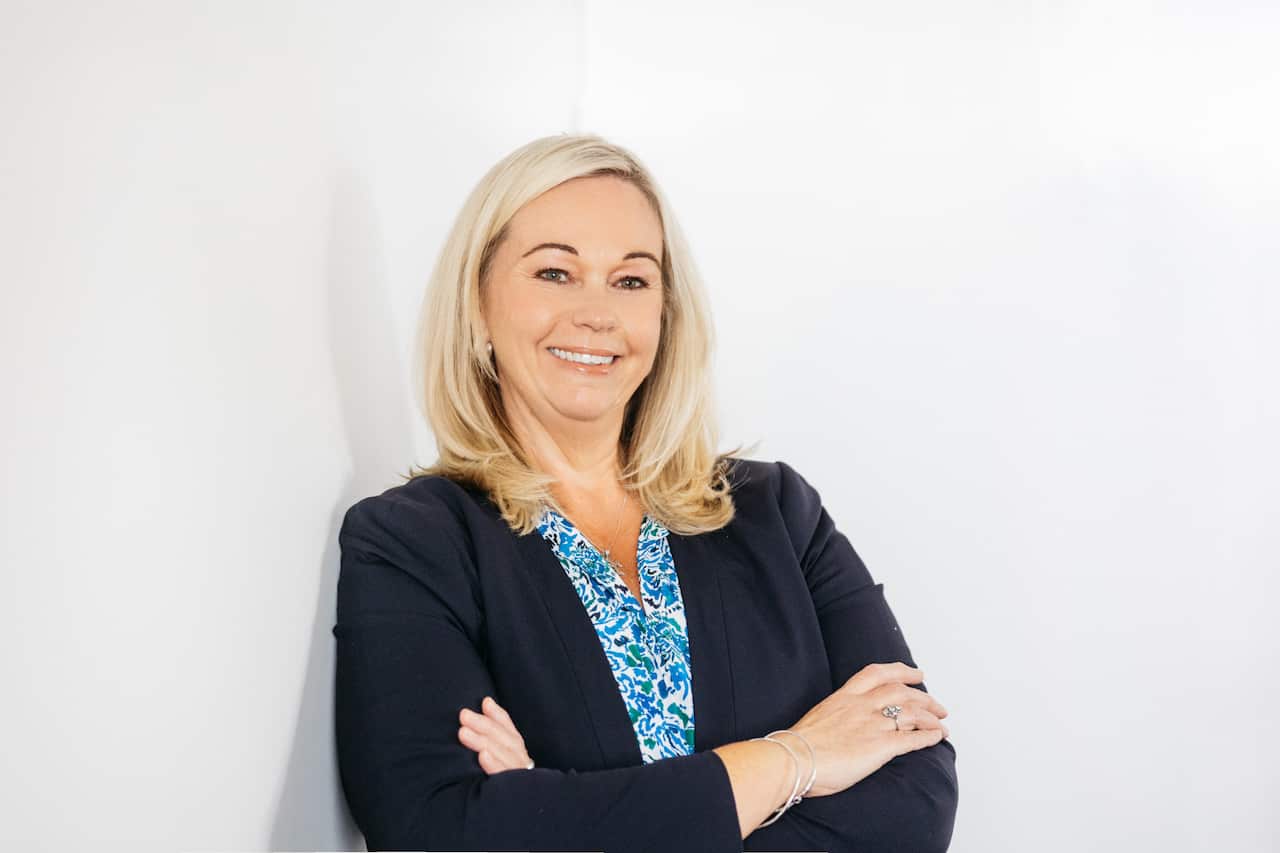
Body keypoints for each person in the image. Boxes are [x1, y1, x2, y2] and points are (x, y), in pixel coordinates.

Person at [333, 133, 958, 852]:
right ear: (477, 304)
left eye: (631, 281)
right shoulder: (412, 543)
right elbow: (436, 828)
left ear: (665, 312)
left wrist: (563, 812)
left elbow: (916, 798)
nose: (596, 313)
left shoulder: (779, 514)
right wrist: (799, 757)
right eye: (555, 272)